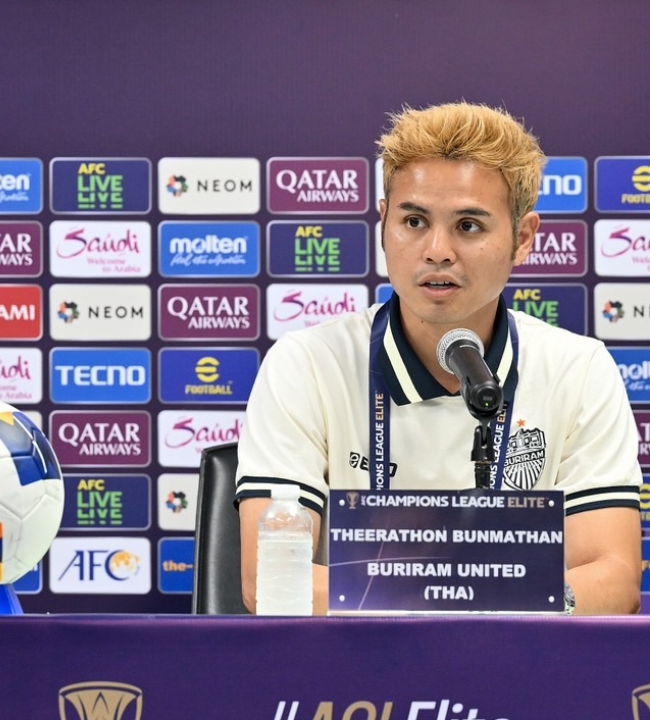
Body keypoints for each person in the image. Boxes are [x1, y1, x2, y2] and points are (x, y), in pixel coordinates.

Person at [236, 102, 642, 615]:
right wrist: (470, 595)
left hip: (516, 660)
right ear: (383, 223)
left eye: (468, 226)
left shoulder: (578, 370)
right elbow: (271, 581)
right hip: (352, 665)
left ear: (522, 239)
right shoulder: (307, 364)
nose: (437, 250)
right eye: (414, 220)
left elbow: (614, 580)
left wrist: (455, 600)